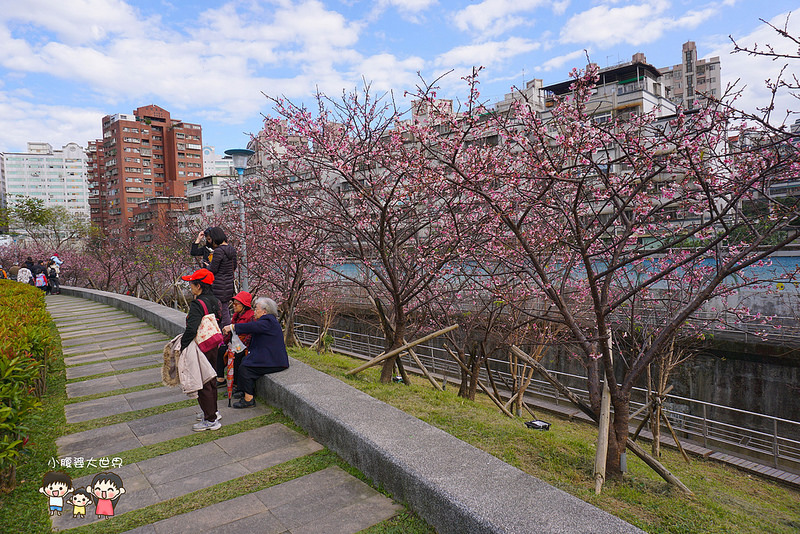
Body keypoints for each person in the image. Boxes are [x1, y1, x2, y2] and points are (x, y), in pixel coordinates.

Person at [222, 297, 289, 408]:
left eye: (256, 309)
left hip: (275, 361)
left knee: (246, 367)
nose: (254, 311)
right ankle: (242, 390)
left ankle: (249, 399)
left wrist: (232, 327)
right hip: (270, 356)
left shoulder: (268, 321)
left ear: (264, 311)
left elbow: (252, 327)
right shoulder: (269, 321)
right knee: (243, 360)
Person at [181, 268, 222, 431]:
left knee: (203, 380)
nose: (190, 286)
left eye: (192, 283)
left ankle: (210, 420)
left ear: (199, 286)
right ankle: (213, 411)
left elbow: (191, 328)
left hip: (201, 346)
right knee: (211, 377)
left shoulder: (198, 303)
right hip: (213, 343)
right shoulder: (215, 300)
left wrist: (183, 346)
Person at [220, 291, 255, 393]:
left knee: (237, 358)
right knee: (221, 351)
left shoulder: (251, 316)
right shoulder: (236, 315)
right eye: (233, 303)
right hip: (235, 343)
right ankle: (220, 378)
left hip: (244, 344)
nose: (234, 306)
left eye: (236, 304)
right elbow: (231, 333)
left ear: (244, 305)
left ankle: (237, 385)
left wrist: (243, 345)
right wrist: (223, 342)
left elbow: (251, 333)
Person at [206, 226, 237, 330]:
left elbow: (213, 269)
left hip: (219, 285)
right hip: (228, 284)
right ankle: (227, 332)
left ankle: (224, 334)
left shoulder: (219, 251)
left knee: (221, 311)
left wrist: (208, 266)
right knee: (225, 309)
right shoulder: (232, 250)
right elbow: (234, 266)